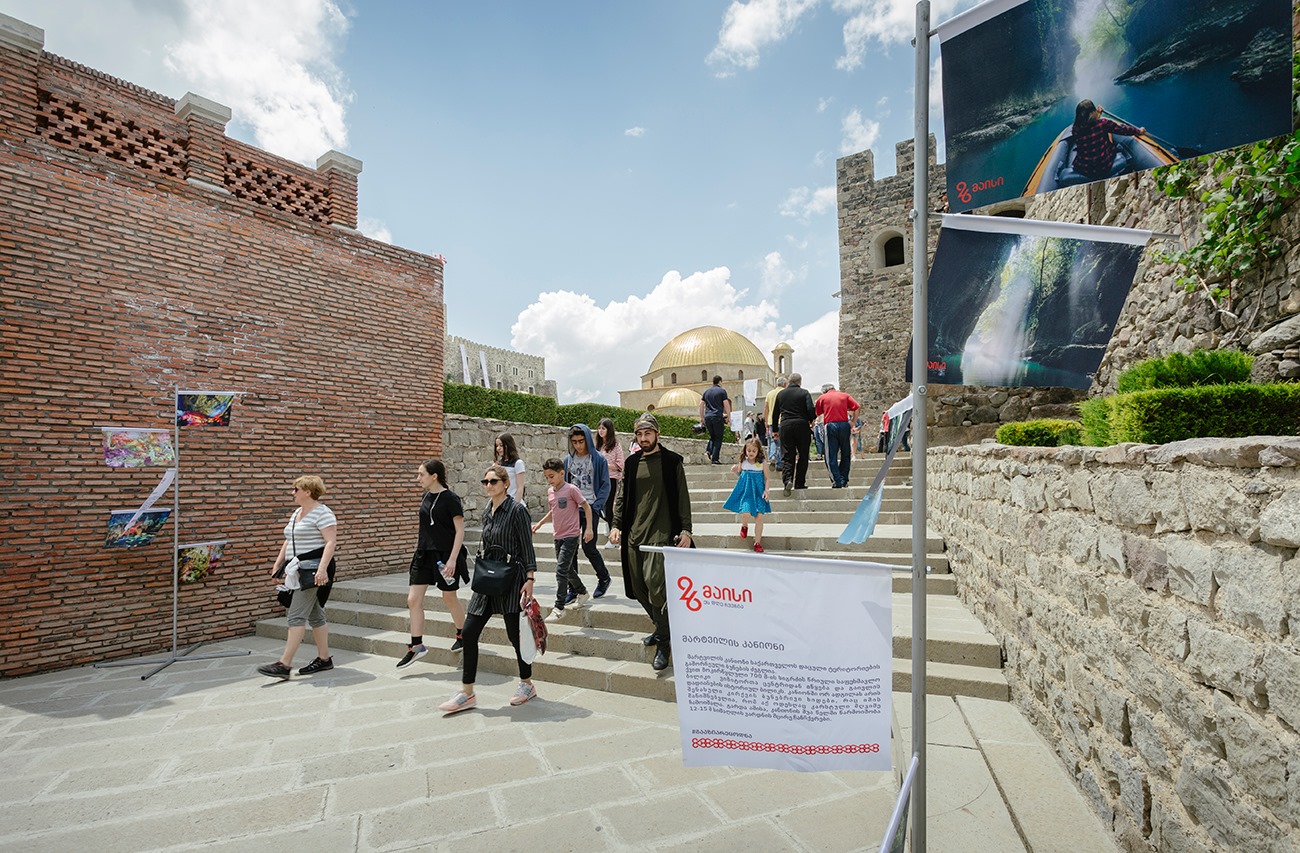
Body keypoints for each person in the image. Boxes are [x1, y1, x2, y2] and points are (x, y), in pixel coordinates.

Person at [438, 464, 539, 714]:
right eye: (485, 482)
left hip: (511, 579)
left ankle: (527, 684)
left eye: (493, 481)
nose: (488, 486)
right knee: (469, 632)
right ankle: (467, 693)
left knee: (515, 635)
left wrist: (530, 578)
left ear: (506, 483)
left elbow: (527, 545)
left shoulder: (517, 510)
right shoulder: (487, 510)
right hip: (488, 578)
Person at [610, 413, 693, 672]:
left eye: (648, 433)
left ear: (657, 434)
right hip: (634, 534)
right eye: (639, 434)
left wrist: (686, 529)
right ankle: (661, 628)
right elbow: (622, 496)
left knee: (657, 588)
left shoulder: (671, 461)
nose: (643, 438)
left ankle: (664, 645)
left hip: (661, 534)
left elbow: (682, 496)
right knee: (638, 589)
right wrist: (616, 524)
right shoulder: (632, 463)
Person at [259, 476, 338, 679]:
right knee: (316, 615)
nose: (292, 493)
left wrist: (322, 570)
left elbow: (330, 542)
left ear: (308, 491)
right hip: (297, 569)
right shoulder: (297, 513)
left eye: (296, 489)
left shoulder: (323, 513)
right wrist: (278, 564)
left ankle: (284, 664)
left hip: (312, 570)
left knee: (295, 616)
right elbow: (289, 539)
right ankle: (324, 659)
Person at [397, 460, 467, 668]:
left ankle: (463, 635)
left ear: (434, 476)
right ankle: (416, 646)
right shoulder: (425, 496)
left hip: (445, 555)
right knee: (413, 599)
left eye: (421, 474)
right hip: (423, 554)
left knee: (449, 597)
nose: (418, 478)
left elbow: (460, 531)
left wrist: (452, 559)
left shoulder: (451, 499)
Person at [531, 458, 593, 622]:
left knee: (561, 570)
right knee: (567, 569)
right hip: (557, 536)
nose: (549, 480)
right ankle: (582, 592)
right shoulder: (550, 492)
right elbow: (553, 510)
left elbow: (586, 507)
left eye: (551, 476)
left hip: (571, 536)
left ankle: (559, 607)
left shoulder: (571, 489)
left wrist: (589, 528)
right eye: (546, 477)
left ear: (562, 473)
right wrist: (539, 524)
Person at [563, 424, 613, 599]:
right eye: (574, 442)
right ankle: (573, 587)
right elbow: (565, 484)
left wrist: (596, 507)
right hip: (572, 509)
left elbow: (605, 485)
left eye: (581, 441)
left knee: (588, 547)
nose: (578, 445)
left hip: (590, 507)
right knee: (570, 549)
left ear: (587, 440)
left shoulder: (598, 459)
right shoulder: (568, 460)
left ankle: (604, 578)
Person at [1071, 99, 1145, 181]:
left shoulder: (1075, 129)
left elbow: (1090, 128)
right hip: (1104, 166)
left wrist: (1098, 114)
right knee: (1109, 133)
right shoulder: (1103, 123)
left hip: (1086, 169)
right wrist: (1139, 131)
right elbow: (1122, 130)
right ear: (1092, 113)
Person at [723, 438, 771, 553]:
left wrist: (766, 490)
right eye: (749, 450)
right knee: (745, 513)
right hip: (747, 492)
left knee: (759, 517)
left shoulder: (762, 463)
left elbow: (767, 478)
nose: (751, 453)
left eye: (754, 451)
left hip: (759, 493)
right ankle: (744, 526)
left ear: (758, 451)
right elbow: (740, 475)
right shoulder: (743, 461)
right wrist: (735, 470)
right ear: (745, 450)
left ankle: (757, 542)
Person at [772, 373, 815, 497]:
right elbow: (810, 409)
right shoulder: (804, 393)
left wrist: (775, 430)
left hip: (785, 425)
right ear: (800, 382)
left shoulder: (781, 394)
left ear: (788, 382)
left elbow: (775, 414)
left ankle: (787, 480)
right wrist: (811, 419)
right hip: (801, 425)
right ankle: (799, 482)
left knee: (787, 455)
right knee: (803, 455)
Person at [815, 382, 861, 489]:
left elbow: (818, 413)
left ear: (824, 391)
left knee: (831, 454)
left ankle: (836, 480)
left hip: (830, 425)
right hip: (844, 424)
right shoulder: (845, 395)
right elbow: (857, 407)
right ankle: (844, 479)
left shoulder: (822, 398)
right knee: (845, 453)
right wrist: (853, 422)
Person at [595, 418, 624, 547]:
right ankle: (610, 526)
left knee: (608, 506)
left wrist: (605, 465)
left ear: (609, 430)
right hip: (599, 479)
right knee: (599, 506)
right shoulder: (598, 445)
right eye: (599, 428)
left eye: (603, 428)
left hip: (611, 479)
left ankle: (614, 537)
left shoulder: (616, 445)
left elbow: (620, 465)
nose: (600, 431)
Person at [698, 375, 731, 464]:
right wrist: (729, 416)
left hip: (708, 417)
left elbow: (701, 404)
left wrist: (702, 417)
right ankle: (715, 459)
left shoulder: (706, 392)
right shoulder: (722, 391)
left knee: (712, 436)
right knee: (718, 437)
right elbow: (726, 404)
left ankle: (708, 451)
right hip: (717, 416)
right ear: (720, 381)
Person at [494, 433, 526, 504]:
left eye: (501, 445)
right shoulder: (498, 464)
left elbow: (520, 487)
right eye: (497, 446)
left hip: (514, 502)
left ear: (508, 445)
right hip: (501, 503)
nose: (498, 448)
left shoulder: (518, 463)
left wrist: (515, 506)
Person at [764, 376, 786, 469]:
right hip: (783, 420)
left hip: (771, 421)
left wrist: (766, 421)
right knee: (781, 443)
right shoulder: (785, 392)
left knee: (773, 440)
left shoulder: (769, 394)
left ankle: (772, 456)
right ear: (785, 384)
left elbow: (766, 408)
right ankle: (779, 463)